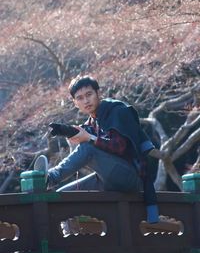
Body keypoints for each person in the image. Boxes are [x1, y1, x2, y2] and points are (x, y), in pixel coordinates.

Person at [34, 75, 180, 230]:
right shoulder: (92, 122)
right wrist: (65, 131)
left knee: (87, 146)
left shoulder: (116, 110)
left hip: (131, 177)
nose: (86, 101)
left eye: (89, 95)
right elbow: (83, 134)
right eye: (80, 98)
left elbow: (119, 146)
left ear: (98, 93)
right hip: (108, 178)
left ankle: (50, 178)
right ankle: (70, 238)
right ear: (75, 103)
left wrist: (88, 137)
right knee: (63, 196)